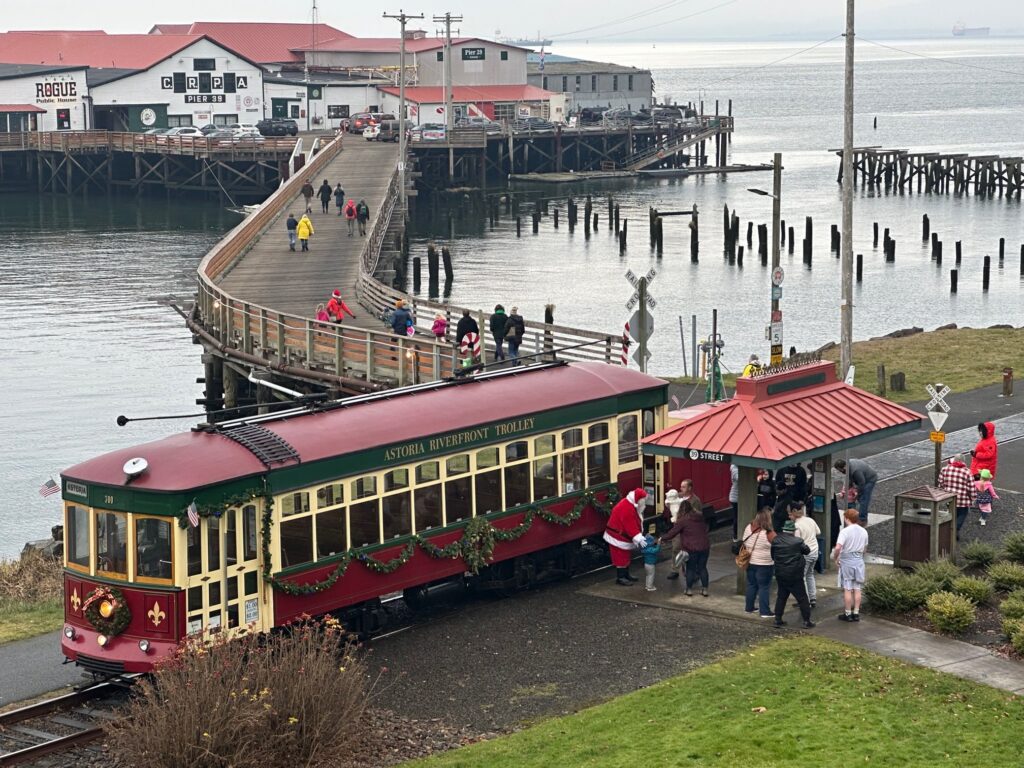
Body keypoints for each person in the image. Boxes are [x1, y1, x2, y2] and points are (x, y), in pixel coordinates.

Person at [659, 498, 714, 596]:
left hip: (691, 548)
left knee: (690, 569)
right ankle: (705, 590)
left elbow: (672, 533)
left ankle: (689, 590)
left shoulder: (683, 520)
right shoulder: (700, 517)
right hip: (704, 547)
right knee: (702, 568)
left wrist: (662, 538)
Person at [771, 520, 815, 628]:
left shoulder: (775, 540)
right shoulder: (798, 541)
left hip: (781, 573)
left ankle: (778, 619)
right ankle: (806, 621)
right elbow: (807, 551)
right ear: (793, 531)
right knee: (802, 598)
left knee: (781, 597)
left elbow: (773, 556)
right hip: (795, 574)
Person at [603, 488, 649, 585]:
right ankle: (621, 578)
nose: (644, 503)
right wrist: (638, 537)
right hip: (617, 536)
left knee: (625, 556)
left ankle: (626, 575)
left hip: (621, 535)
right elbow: (630, 525)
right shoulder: (627, 508)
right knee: (620, 557)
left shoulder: (630, 505)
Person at [832, 508, 868, 621]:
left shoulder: (845, 531)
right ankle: (856, 613)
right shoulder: (864, 531)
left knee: (848, 588)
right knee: (857, 588)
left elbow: (838, 547)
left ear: (847, 518)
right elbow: (865, 548)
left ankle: (847, 613)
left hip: (847, 560)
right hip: (859, 561)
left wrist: (836, 557)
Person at [663, 480, 701, 579]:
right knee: (676, 548)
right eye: (681, 487)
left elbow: (698, 515)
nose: (681, 489)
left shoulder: (695, 500)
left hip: (689, 530)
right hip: (678, 527)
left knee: (690, 551)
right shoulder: (677, 496)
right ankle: (675, 570)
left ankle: (693, 571)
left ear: (690, 488)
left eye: (683, 487)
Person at [741, 509, 775, 618]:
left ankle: (749, 608)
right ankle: (764, 611)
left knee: (751, 585)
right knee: (764, 587)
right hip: (765, 564)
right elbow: (777, 545)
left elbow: (744, 541)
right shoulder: (769, 533)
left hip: (750, 562)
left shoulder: (748, 528)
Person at [789, 501, 821, 608]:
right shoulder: (810, 520)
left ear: (794, 512)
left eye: (789, 513)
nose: (789, 516)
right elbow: (818, 532)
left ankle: (804, 601)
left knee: (801, 577)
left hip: (805, 554)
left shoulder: (797, 525)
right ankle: (813, 599)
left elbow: (797, 541)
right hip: (815, 551)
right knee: (810, 575)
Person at [938, 455, 975, 537]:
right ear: (963, 461)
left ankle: (949, 529)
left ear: (954, 460)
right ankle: (955, 529)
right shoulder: (967, 472)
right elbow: (971, 488)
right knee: (962, 514)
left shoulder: (945, 469)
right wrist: (973, 498)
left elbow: (940, 484)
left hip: (949, 498)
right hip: (963, 500)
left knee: (952, 513)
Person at [833, 459, 877, 525]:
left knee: (864, 499)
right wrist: (845, 490)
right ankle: (861, 513)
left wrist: (858, 494)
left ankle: (862, 520)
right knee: (861, 498)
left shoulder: (855, 471)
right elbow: (850, 479)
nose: (840, 472)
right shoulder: (849, 466)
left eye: (840, 470)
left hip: (869, 479)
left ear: (844, 467)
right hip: (862, 478)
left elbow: (862, 483)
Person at [640, 524, 660, 592]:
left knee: (648, 575)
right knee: (651, 575)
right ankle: (650, 587)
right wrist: (658, 545)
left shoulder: (645, 549)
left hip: (646, 564)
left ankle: (647, 585)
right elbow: (656, 550)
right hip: (651, 564)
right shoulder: (650, 549)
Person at [728, 464, 739, 538]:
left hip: (737, 496)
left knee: (737, 516)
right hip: (735, 498)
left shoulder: (736, 468)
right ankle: (735, 535)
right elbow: (739, 478)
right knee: (737, 517)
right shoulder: (734, 469)